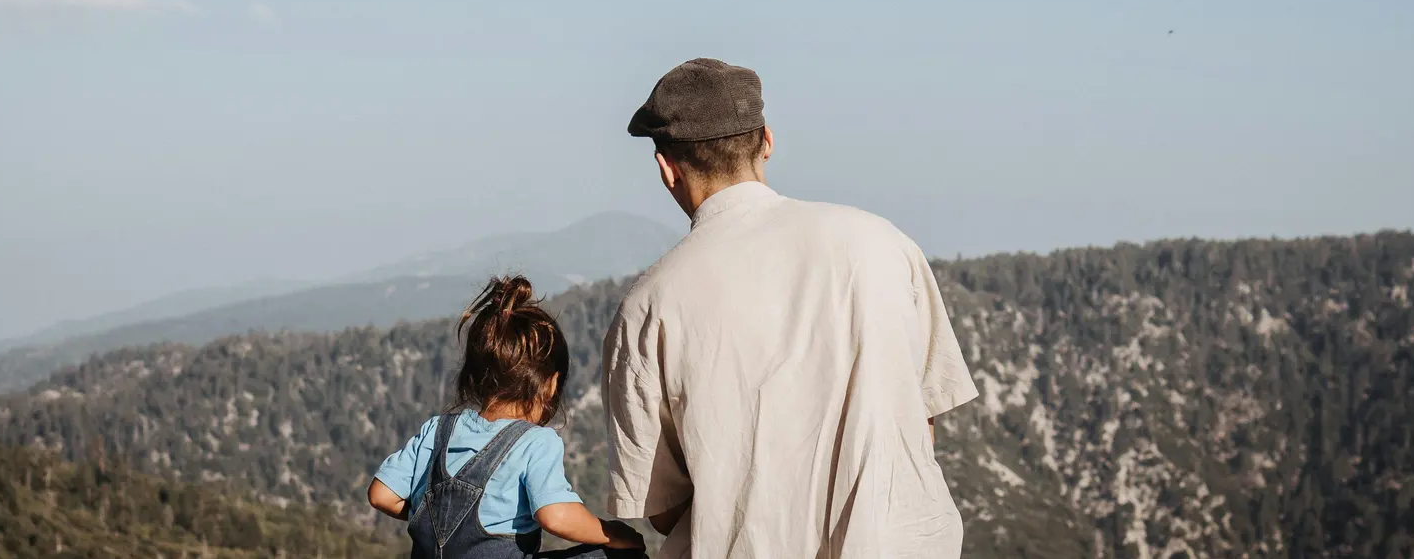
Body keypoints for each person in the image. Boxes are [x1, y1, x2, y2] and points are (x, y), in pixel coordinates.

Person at [603, 58, 979, 559]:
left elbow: (661, 505)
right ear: (767, 142)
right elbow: (920, 424)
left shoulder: (647, 307)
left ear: (666, 168)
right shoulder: (883, 244)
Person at [371, 276, 646, 558]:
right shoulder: (535, 442)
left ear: (474, 377)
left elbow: (381, 495)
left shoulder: (436, 430)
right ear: (550, 385)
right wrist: (612, 534)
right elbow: (556, 516)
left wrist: (431, 517)